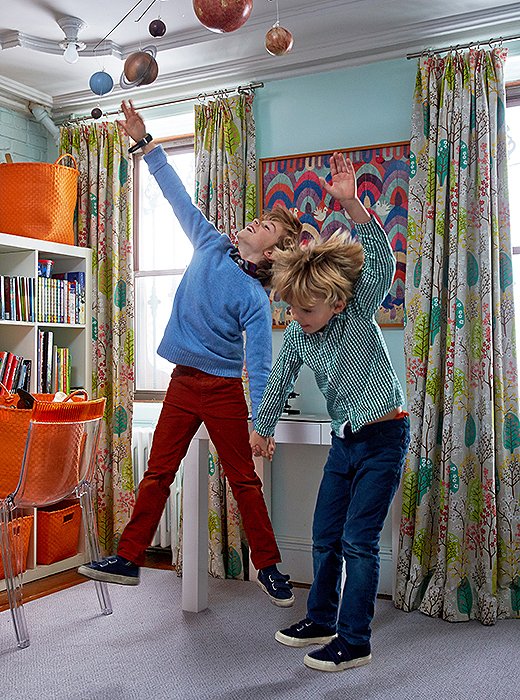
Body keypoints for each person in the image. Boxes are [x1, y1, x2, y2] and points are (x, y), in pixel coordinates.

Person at [78, 100, 302, 607]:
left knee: (244, 479)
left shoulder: (254, 298)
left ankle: (269, 567)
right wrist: (144, 141)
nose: (251, 223)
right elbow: (176, 195)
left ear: (269, 254)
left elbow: (261, 365)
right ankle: (129, 558)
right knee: (158, 470)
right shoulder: (209, 242)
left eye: (263, 226)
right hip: (182, 383)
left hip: (223, 389)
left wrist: (262, 425)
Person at [250, 151, 410, 670]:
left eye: (306, 308)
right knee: (324, 534)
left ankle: (355, 640)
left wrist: (352, 205)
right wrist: (263, 426)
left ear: (337, 302)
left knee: (357, 543)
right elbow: (279, 378)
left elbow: (383, 261)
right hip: (345, 441)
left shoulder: (356, 310)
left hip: (384, 438)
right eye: (291, 307)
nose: (296, 316)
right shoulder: (299, 330)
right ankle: (320, 618)